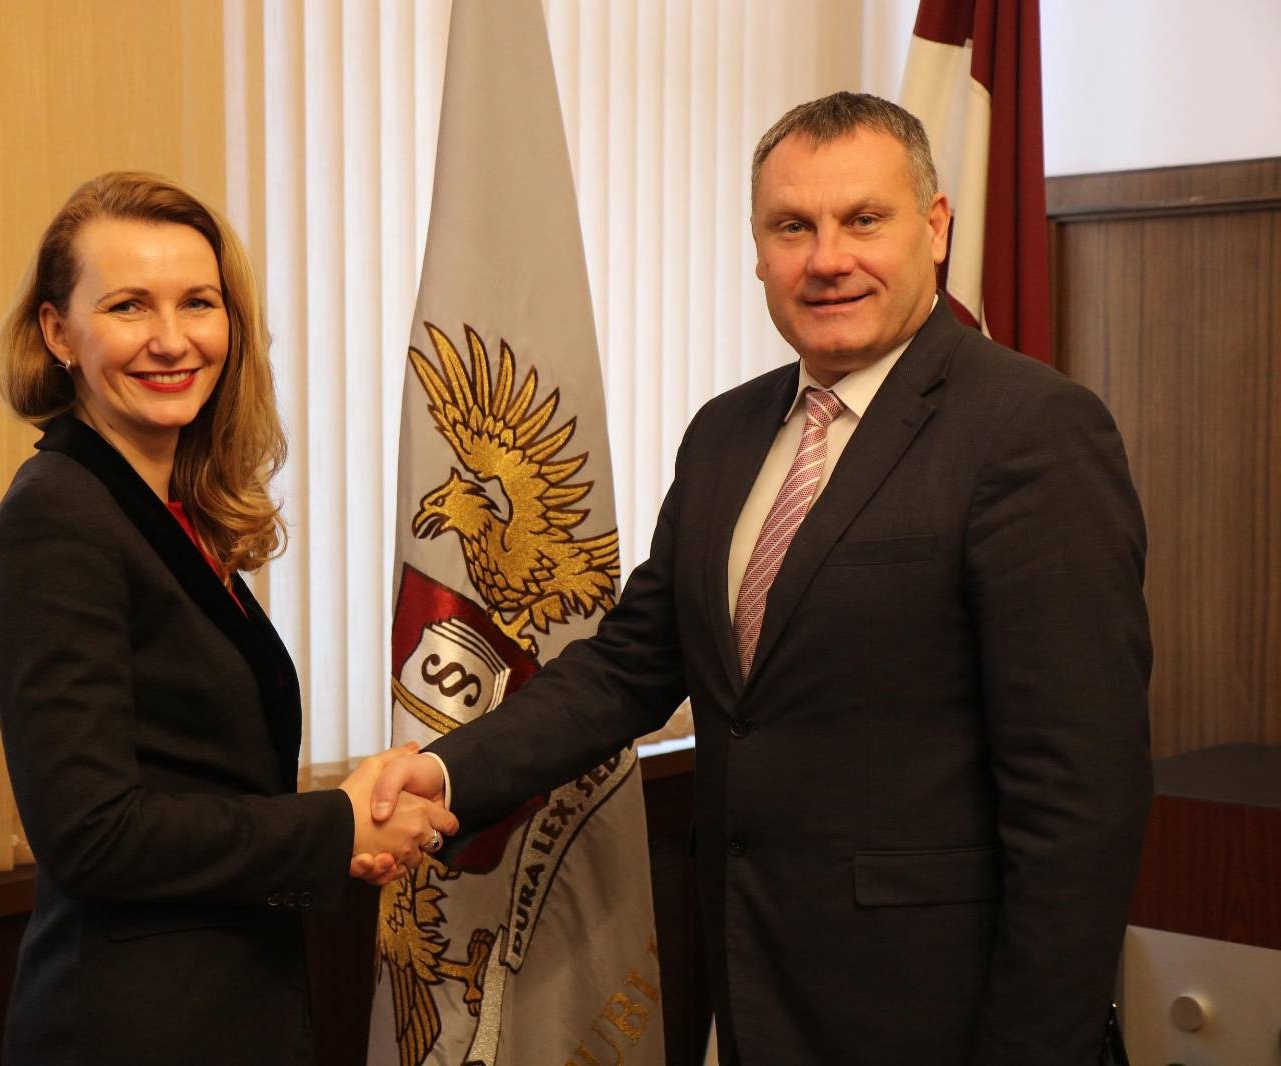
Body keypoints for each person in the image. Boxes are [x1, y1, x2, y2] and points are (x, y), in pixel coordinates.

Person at [371, 93, 1151, 1065]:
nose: (827, 258)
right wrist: (447, 771)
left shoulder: (1032, 432)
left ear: (936, 227)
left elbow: (1080, 805)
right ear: (756, 249)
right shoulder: (725, 434)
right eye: (793, 227)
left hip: (936, 1018)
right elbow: (627, 668)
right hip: (750, 989)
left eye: (862, 219)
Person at [0, 171, 455, 1066]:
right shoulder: (57, 518)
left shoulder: (162, 513)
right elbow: (93, 834)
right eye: (127, 306)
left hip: (224, 1008)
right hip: (130, 1030)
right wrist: (335, 826)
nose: (171, 339)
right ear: (57, 332)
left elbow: (196, 783)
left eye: (198, 302)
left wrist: (344, 831)